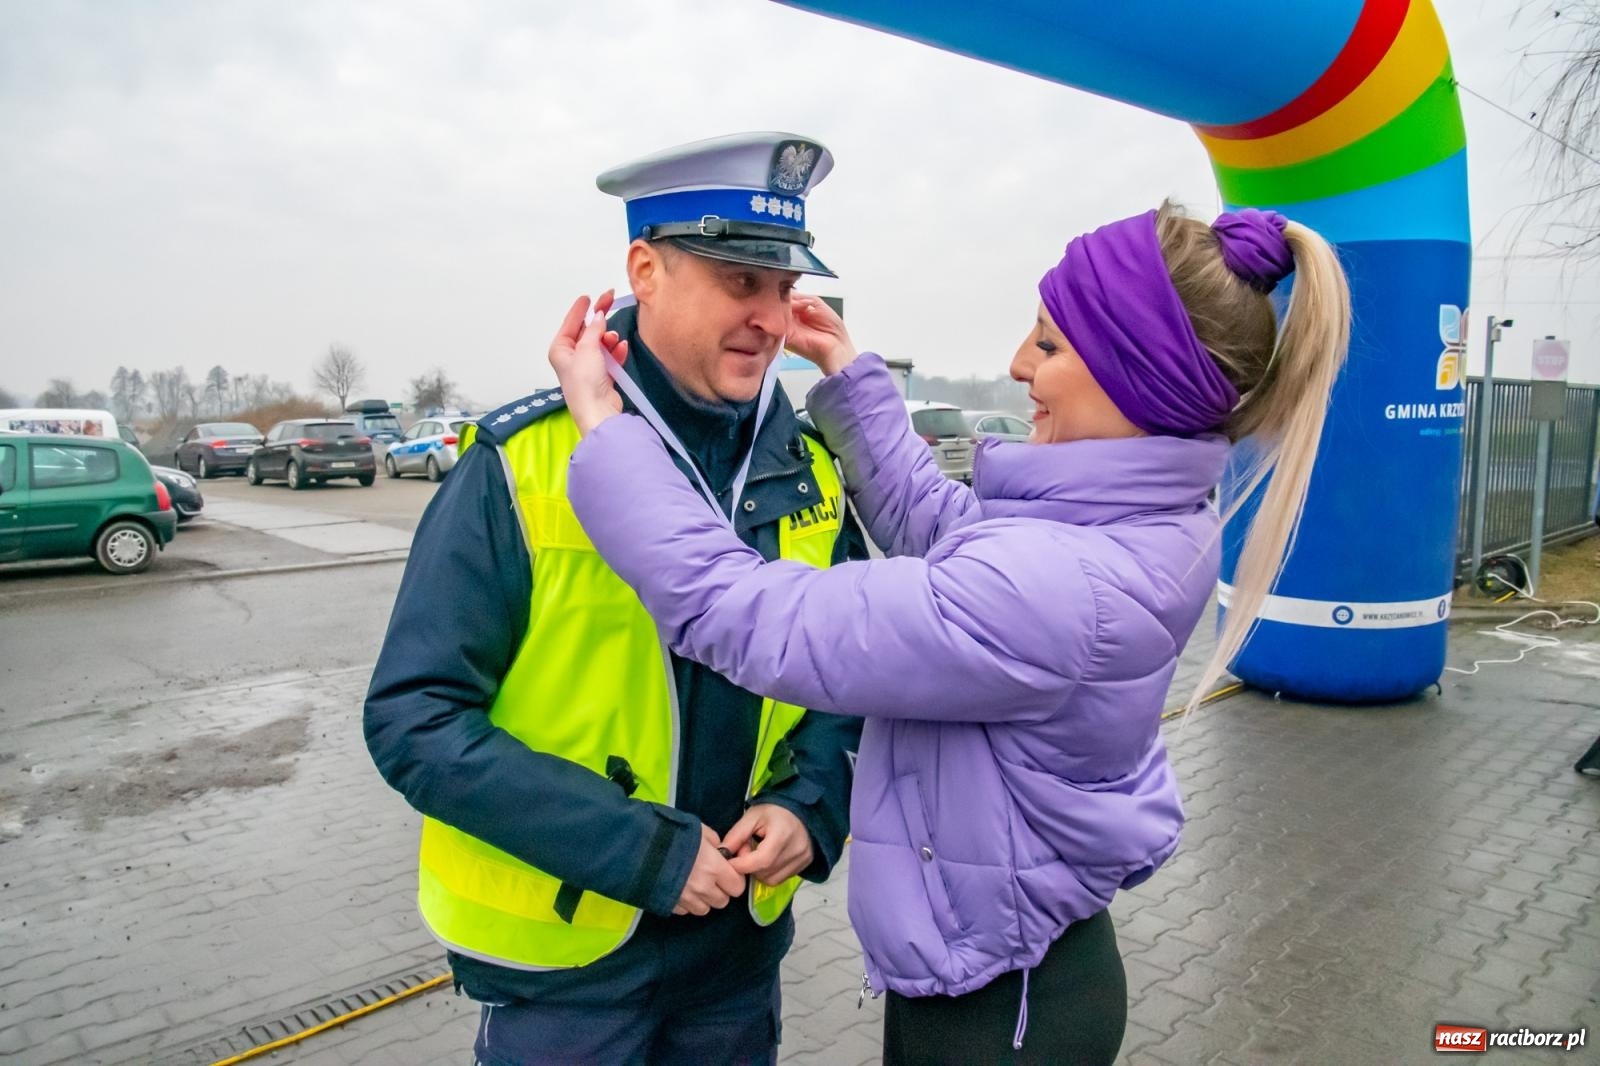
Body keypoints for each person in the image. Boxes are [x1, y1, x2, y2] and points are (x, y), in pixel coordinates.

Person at [548, 201, 1351, 1062]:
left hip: (992, 1018)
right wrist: (851, 374)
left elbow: (745, 613)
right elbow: (950, 532)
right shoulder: (1143, 523)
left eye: (1047, 345)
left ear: (1134, 378)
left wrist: (607, 432)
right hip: (1034, 969)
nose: (1017, 365)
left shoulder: (1057, 584)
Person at [364, 131, 868, 1066]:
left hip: (737, 957)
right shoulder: (521, 464)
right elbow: (414, 719)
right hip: (567, 973)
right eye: (737, 280)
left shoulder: (807, 467)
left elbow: (857, 672)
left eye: (782, 288)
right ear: (646, 268)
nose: (768, 315)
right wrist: (641, 854)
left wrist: (812, 803)